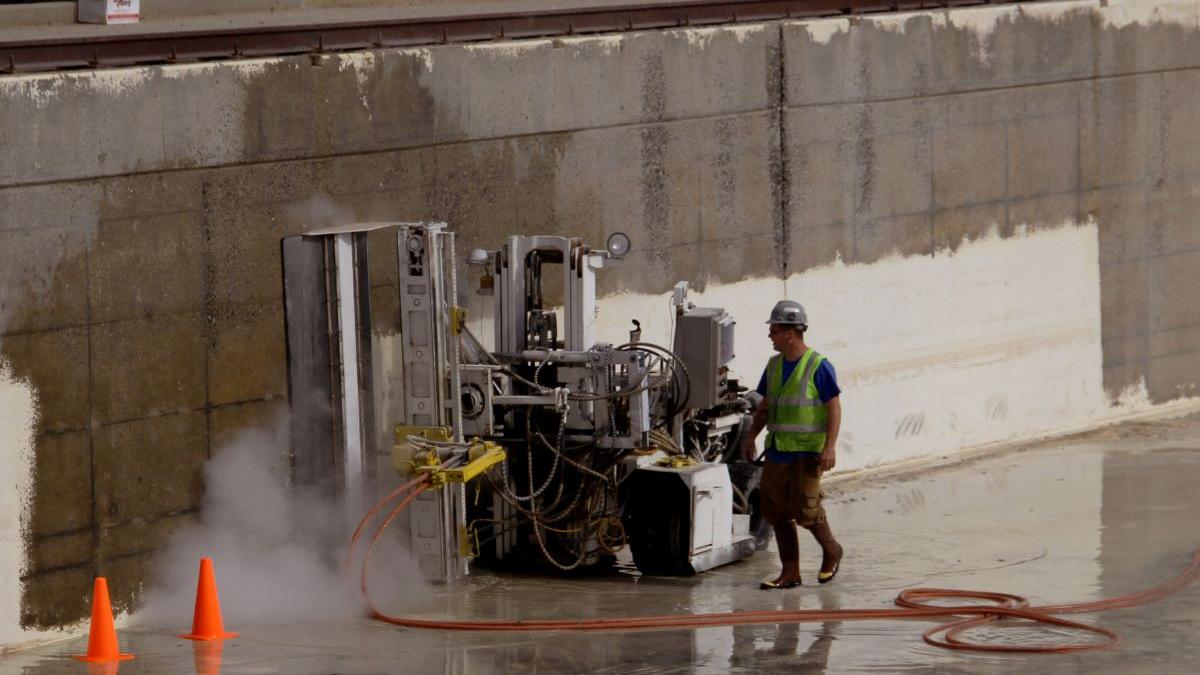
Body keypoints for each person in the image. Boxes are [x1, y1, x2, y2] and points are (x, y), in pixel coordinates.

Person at [741, 300, 843, 589]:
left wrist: (829, 447)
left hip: (808, 452)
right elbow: (764, 406)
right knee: (775, 510)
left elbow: (833, 407)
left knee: (806, 509)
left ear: (791, 332)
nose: (770, 336)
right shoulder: (773, 366)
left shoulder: (818, 366)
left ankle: (832, 550)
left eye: (774, 330)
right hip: (778, 451)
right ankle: (790, 573)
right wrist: (752, 437)